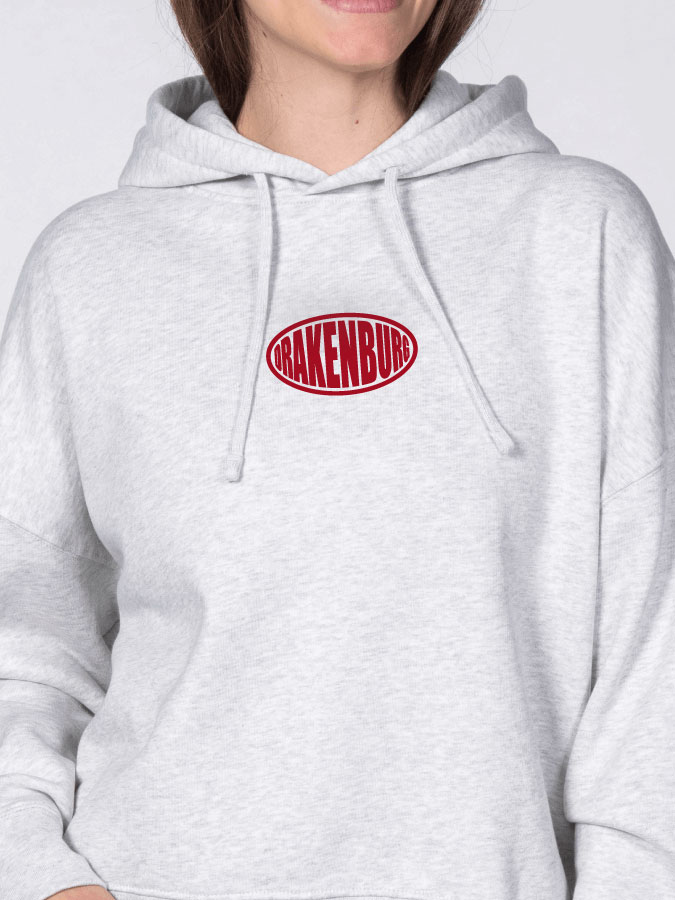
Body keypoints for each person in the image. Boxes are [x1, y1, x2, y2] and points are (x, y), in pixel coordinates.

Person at [1, 1, 674, 899]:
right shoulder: (90, 267)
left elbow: (655, 655)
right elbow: (25, 645)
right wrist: (40, 876)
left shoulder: (580, 233)